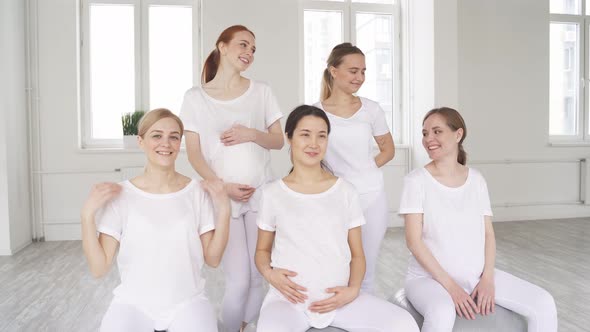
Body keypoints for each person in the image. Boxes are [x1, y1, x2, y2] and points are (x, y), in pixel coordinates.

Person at [255, 105, 419, 332]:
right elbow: (262, 251)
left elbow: (358, 255)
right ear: (289, 138)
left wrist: (353, 290)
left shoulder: (345, 191)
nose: (314, 143)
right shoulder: (272, 194)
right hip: (288, 302)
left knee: (404, 325)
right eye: (305, 134)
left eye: (321, 136)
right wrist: (269, 274)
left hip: (340, 300)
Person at [400, 107, 558, 332]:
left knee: (543, 302)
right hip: (427, 280)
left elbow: (488, 234)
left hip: (475, 276)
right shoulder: (416, 181)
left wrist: (487, 279)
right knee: (442, 311)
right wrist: (452, 288)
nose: (428, 139)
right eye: (425, 133)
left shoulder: (476, 180)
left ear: (458, 134)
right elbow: (414, 242)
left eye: (437, 132)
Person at [80, 108, 230, 332]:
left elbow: (213, 259)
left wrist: (224, 209)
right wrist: (87, 215)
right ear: (140, 141)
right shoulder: (121, 194)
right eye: (156, 135)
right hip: (133, 304)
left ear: (180, 143)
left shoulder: (196, 192)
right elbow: (99, 268)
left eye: (173, 137)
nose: (166, 143)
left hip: (188, 302)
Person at [179, 25, 284, 332]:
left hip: (260, 195)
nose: (249, 53)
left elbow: (279, 141)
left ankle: (238, 326)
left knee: (257, 276)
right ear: (222, 47)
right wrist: (222, 187)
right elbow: (195, 154)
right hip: (223, 200)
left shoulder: (261, 91)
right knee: (238, 280)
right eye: (243, 45)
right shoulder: (195, 98)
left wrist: (249, 133)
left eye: (253, 49)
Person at [314, 42, 395, 293]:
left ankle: (364, 317)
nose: (360, 77)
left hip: (372, 197)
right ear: (333, 71)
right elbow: (310, 158)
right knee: (337, 266)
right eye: (353, 71)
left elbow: (388, 150)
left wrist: (365, 169)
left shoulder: (371, 109)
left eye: (363, 71)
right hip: (335, 199)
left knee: (366, 270)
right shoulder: (315, 113)